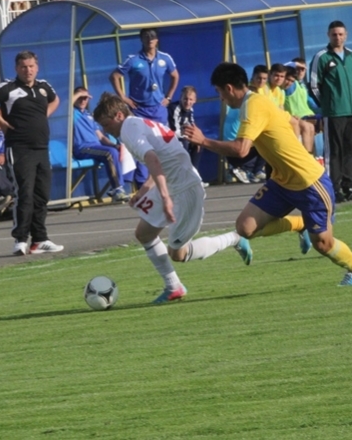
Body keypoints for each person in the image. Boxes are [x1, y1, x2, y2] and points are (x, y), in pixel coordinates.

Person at [184, 62, 352, 287]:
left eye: (219, 92)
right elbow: (288, 124)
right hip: (282, 182)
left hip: (309, 182)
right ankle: (300, 224)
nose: (221, 98)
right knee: (245, 227)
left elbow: (241, 149)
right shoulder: (256, 102)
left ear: (229, 88)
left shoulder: (254, 105)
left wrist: (203, 141)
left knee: (323, 244)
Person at [93, 93, 254, 304]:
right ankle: (174, 287)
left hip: (185, 189)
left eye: (106, 124)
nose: (105, 130)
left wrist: (164, 196)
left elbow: (152, 159)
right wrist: (144, 190)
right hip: (171, 184)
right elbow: (160, 159)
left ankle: (234, 238)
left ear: (119, 116)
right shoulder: (137, 123)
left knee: (178, 254)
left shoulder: (128, 129)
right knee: (144, 234)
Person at [0, 50, 64, 256]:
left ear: (37, 67)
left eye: (31, 66)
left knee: (41, 195)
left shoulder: (43, 87)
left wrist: (44, 115)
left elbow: (56, 100)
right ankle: (21, 239)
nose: (28, 70)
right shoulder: (9, 88)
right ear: (17, 68)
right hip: (19, 148)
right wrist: (2, 121)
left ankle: (39, 239)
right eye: (23, 67)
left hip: (41, 147)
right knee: (25, 193)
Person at [309, 20, 352, 203]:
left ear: (346, 35)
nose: (338, 37)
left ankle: (348, 186)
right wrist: (327, 104)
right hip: (334, 113)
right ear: (328, 35)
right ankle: (332, 189)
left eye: (341, 34)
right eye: (334, 34)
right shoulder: (322, 57)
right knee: (334, 151)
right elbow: (313, 86)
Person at [109, 27, 179, 126]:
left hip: (159, 108)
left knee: (161, 135)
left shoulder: (165, 58)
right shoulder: (133, 59)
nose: (150, 39)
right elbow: (114, 76)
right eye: (146, 36)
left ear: (157, 39)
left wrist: (168, 97)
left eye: (152, 36)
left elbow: (175, 76)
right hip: (139, 109)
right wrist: (123, 98)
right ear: (141, 39)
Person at [72, 87, 128, 202]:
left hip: (96, 148)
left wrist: (114, 145)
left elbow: (101, 137)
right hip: (83, 148)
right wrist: (78, 94)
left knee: (119, 150)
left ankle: (122, 186)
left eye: (85, 98)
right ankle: (117, 188)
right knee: (109, 153)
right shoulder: (71, 113)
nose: (83, 100)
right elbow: (66, 105)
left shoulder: (89, 115)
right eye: (80, 98)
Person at [167, 85, 202, 174]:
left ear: (195, 100)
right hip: (169, 137)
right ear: (181, 98)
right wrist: (188, 137)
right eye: (185, 99)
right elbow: (174, 130)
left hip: (183, 136)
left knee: (199, 144)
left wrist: (196, 139)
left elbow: (192, 125)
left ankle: (194, 173)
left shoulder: (191, 110)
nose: (188, 102)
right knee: (184, 143)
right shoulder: (174, 108)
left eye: (190, 99)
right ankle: (183, 173)